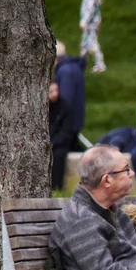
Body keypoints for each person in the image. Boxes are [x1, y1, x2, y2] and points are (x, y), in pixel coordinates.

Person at [51, 42, 87, 192]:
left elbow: (65, 100)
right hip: (73, 122)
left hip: (67, 124)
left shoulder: (65, 72)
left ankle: (56, 186)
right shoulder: (73, 68)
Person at [78, 0, 107, 73]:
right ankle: (82, 64)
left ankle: (100, 65)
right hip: (91, 26)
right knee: (84, 45)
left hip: (90, 26)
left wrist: (84, 22)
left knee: (92, 45)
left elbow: (90, 11)